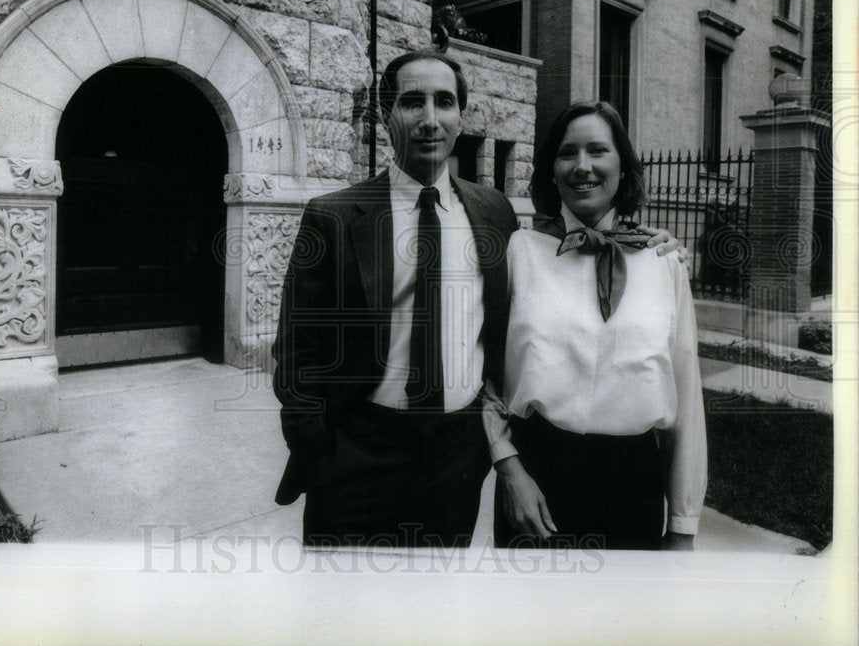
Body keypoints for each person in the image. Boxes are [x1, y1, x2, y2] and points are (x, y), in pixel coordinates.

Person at [272, 54, 679, 548]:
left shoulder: (493, 214)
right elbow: (296, 355)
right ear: (387, 115)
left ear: (460, 116)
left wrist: (645, 244)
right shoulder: (332, 217)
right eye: (412, 102)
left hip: (453, 464)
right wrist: (321, 455)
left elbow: (553, 271)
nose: (430, 119)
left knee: (437, 612)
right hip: (358, 459)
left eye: (444, 102)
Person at [483, 100, 707, 551]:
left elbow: (686, 396)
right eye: (568, 153)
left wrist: (683, 523)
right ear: (551, 168)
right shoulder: (519, 253)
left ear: (623, 167)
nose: (582, 166)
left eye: (598, 151)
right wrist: (508, 468)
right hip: (537, 484)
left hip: (632, 484)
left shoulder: (663, 263)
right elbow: (483, 375)